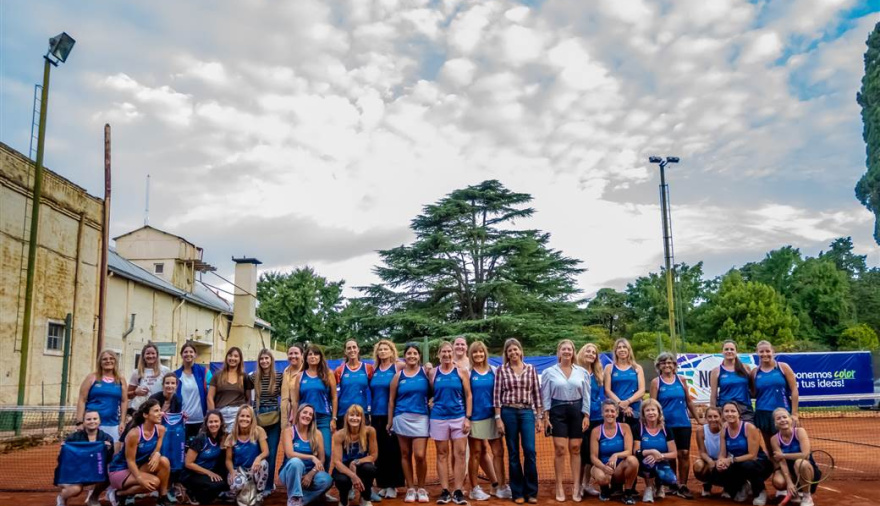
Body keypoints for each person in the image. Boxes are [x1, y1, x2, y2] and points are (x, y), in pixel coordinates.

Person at [493, 338, 543, 505]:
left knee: (530, 451)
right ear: (506, 354)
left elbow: (537, 394)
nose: (513, 353)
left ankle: (531, 491)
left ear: (521, 351)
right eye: (510, 351)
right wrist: (498, 418)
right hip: (508, 412)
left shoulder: (531, 369)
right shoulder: (501, 370)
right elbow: (497, 396)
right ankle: (517, 492)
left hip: (527, 412)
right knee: (513, 453)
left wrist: (539, 418)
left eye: (516, 350)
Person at [541, 339, 591, 502]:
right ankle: (559, 486)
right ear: (559, 352)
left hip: (577, 410)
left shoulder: (582, 372)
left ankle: (576, 486)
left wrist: (586, 415)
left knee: (575, 448)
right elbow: (546, 395)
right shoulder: (549, 372)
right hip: (557, 410)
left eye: (569, 349)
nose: (567, 352)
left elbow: (587, 394)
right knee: (560, 449)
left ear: (573, 352)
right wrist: (546, 416)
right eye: (564, 349)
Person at [428, 341, 473, 506]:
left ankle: (458, 490)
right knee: (442, 454)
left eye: (449, 352)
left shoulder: (461, 372)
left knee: (460, 454)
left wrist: (467, 417)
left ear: (453, 353)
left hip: (458, 417)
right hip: (438, 418)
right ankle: (445, 490)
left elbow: (468, 395)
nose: (447, 355)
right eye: (443, 352)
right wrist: (431, 401)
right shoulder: (432, 373)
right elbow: (429, 393)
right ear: (439, 354)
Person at [387, 343, 431, 503]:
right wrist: (390, 421)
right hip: (401, 417)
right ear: (404, 356)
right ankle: (411, 488)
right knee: (405, 454)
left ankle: (422, 487)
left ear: (419, 356)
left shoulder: (426, 373)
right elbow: (391, 400)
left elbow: (434, 391)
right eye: (409, 353)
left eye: (415, 353)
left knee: (420, 455)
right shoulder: (398, 376)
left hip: (421, 418)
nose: (412, 356)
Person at [649, 352, 697, 499]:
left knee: (683, 454)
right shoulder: (656, 382)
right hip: (665, 425)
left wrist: (698, 418)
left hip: (683, 423)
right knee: (670, 455)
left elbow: (689, 401)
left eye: (670, 362)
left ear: (675, 365)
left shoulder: (681, 380)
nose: (667, 365)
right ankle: (672, 483)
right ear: (659, 366)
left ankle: (683, 484)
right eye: (664, 363)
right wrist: (653, 424)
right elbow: (653, 405)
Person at [106, 399, 171, 506]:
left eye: (160, 410)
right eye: (156, 411)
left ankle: (162, 497)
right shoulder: (134, 434)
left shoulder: (161, 429)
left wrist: (157, 454)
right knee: (154, 483)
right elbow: (130, 461)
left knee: (164, 461)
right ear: (145, 415)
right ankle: (119, 493)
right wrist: (140, 479)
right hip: (120, 470)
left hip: (138, 466)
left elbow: (157, 449)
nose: (160, 413)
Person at [467, 341, 509, 501]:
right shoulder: (468, 373)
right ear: (471, 355)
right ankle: (474, 488)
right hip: (476, 418)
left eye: (481, 352)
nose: (478, 355)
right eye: (475, 352)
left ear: (485, 353)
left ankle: (500, 486)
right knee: (476, 453)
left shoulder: (494, 371)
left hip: (494, 417)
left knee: (498, 452)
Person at [714, 402, 773, 505]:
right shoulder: (724, 429)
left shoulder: (749, 427)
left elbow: (752, 455)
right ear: (722, 414)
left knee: (747, 465)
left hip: (759, 463)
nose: (730, 414)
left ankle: (760, 491)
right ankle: (743, 485)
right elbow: (722, 453)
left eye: (733, 411)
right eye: (726, 411)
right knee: (718, 469)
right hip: (738, 462)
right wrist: (720, 462)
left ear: (739, 414)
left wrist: (730, 460)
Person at [54, 409, 114, 506]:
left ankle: (93, 498)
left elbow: (108, 460)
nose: (92, 421)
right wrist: (63, 450)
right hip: (73, 472)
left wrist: (107, 450)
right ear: (83, 422)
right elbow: (62, 460)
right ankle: (61, 497)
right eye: (88, 419)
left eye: (95, 419)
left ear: (99, 421)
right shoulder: (73, 438)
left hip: (93, 472)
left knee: (110, 475)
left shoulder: (106, 438)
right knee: (75, 490)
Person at [292, 345, 338, 470]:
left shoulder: (328, 374)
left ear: (320, 357)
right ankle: (308, 479)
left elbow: (334, 397)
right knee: (308, 452)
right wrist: (295, 418)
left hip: (324, 418)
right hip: (306, 419)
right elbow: (296, 400)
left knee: (326, 453)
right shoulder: (300, 376)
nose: (313, 357)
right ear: (305, 358)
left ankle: (322, 479)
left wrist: (334, 418)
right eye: (310, 355)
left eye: (315, 354)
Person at [370, 339, 405, 499]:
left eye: (386, 349)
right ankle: (383, 484)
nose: (383, 352)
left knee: (393, 451)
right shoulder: (374, 370)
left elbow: (417, 368)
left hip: (392, 415)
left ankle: (393, 485)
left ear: (392, 351)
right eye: (380, 349)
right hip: (376, 415)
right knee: (379, 452)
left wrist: (429, 367)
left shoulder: (398, 366)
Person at [280, 403, 334, 506]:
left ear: (313, 418)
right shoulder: (289, 431)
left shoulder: (317, 434)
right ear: (299, 414)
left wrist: (310, 474)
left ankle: (297, 500)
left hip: (310, 472)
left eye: (310, 414)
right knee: (296, 462)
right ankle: (295, 496)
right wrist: (312, 457)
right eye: (305, 412)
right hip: (290, 472)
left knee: (327, 480)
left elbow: (322, 459)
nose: (307, 416)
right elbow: (290, 454)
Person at [750, 341, 799, 454]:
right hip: (763, 413)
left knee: (789, 443)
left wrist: (795, 414)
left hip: (783, 412)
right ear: (757, 353)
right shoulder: (754, 372)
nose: (765, 354)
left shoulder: (783, 367)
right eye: (761, 351)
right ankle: (777, 469)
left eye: (767, 351)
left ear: (773, 352)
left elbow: (794, 390)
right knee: (770, 447)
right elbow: (753, 393)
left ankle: (791, 468)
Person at [589, 400, 638, 505]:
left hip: (619, 469)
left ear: (617, 413)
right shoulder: (596, 431)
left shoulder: (625, 427)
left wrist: (616, 455)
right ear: (602, 413)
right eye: (606, 411)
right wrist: (603, 467)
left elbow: (629, 451)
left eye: (612, 411)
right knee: (603, 478)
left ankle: (628, 493)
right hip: (602, 467)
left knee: (633, 461)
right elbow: (593, 457)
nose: (609, 414)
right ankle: (605, 490)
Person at [77, 350, 129, 450]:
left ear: (115, 361)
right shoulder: (92, 377)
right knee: (91, 454)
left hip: (113, 424)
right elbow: (82, 399)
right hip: (92, 424)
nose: (108, 361)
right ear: (100, 362)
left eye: (111, 358)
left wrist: (122, 422)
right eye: (104, 359)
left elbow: (124, 401)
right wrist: (79, 422)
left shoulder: (121, 380)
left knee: (114, 455)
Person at [251, 348, 284, 497]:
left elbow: (284, 398)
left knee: (271, 452)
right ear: (259, 361)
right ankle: (256, 482)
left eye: (267, 359)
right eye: (261, 359)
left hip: (274, 419)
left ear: (271, 361)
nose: (264, 361)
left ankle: (268, 485)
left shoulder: (279, 376)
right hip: (258, 418)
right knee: (258, 452)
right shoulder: (253, 377)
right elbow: (248, 397)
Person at [769, 408, 819, 506]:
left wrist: (783, 455)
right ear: (775, 423)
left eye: (785, 417)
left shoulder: (800, 431)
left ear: (790, 419)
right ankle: (794, 493)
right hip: (790, 472)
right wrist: (789, 483)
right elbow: (781, 461)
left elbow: (805, 455)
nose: (782, 420)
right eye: (778, 418)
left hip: (807, 469)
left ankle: (806, 496)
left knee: (800, 462)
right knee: (778, 481)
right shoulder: (774, 439)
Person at [333, 405, 379, 506]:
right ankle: (343, 500)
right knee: (342, 480)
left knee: (370, 468)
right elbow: (337, 462)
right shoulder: (339, 435)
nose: (354, 418)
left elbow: (373, 455)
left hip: (360, 464)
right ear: (346, 417)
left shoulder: (370, 431)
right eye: (351, 415)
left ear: (362, 418)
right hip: (343, 467)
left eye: (358, 415)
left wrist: (356, 462)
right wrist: (353, 476)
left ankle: (365, 498)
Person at [633, 399, 678, 504]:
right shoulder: (638, 428)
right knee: (649, 461)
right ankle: (649, 488)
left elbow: (674, 453)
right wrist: (651, 452)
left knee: (671, 480)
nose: (651, 413)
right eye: (647, 410)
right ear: (643, 413)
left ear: (658, 412)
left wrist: (660, 456)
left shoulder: (666, 429)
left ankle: (659, 485)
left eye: (653, 410)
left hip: (661, 461)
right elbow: (636, 451)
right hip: (643, 463)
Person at [180, 410, 230, 505]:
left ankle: (203, 496)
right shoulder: (201, 438)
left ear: (221, 423)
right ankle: (190, 492)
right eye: (210, 422)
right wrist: (209, 473)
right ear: (206, 424)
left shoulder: (221, 437)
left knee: (226, 483)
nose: (213, 424)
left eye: (216, 421)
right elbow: (188, 463)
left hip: (208, 471)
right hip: (192, 473)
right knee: (217, 486)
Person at [577, 343, 605, 498]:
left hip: (597, 418)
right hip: (580, 418)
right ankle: (578, 485)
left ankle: (586, 484)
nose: (591, 354)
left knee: (592, 453)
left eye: (594, 353)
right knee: (582, 453)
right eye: (588, 351)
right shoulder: (575, 371)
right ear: (582, 353)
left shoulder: (598, 373)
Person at [225, 405, 270, 502]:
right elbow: (228, 459)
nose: (244, 419)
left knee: (264, 464)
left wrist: (258, 458)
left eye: (247, 416)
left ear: (252, 419)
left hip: (254, 469)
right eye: (242, 416)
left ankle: (259, 492)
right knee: (237, 485)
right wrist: (232, 472)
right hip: (239, 470)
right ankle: (237, 493)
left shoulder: (258, 431)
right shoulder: (231, 436)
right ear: (238, 417)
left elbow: (266, 452)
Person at [208, 347, 255, 432]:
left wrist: (245, 415)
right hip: (220, 413)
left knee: (233, 442)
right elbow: (210, 397)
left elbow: (248, 400)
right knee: (221, 442)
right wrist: (213, 415)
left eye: (236, 356)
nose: (232, 358)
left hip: (237, 414)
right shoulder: (217, 375)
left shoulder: (245, 377)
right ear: (226, 358)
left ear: (240, 359)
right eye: (230, 355)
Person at [604, 339, 645, 435]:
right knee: (618, 437)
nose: (622, 350)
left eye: (624, 347)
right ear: (615, 351)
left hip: (634, 409)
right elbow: (607, 390)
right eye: (619, 347)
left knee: (635, 438)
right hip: (615, 410)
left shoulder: (637, 368)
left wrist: (627, 402)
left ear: (629, 350)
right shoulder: (609, 368)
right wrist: (620, 404)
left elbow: (642, 390)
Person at [709, 341, 753, 422]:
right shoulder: (716, 371)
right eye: (726, 349)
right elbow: (713, 395)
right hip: (725, 409)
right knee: (727, 434)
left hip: (745, 409)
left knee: (748, 433)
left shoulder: (746, 368)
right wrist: (713, 412)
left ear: (736, 352)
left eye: (732, 349)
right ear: (722, 352)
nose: (729, 351)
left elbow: (752, 389)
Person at [335, 339, 373, 429]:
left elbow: (374, 389)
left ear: (358, 349)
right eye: (349, 348)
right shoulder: (339, 370)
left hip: (362, 412)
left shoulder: (368, 368)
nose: (352, 350)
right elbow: (333, 393)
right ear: (345, 351)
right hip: (343, 412)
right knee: (344, 442)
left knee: (363, 442)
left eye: (354, 347)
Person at [174, 341, 208, 441]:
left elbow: (210, 394)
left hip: (201, 420)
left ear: (195, 354)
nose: (188, 354)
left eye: (191, 351)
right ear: (181, 355)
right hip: (182, 421)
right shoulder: (175, 375)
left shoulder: (204, 372)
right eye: (185, 352)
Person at [128, 343, 171, 412]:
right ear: (143, 356)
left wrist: (166, 406)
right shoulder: (137, 373)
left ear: (157, 355)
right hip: (141, 411)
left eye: (153, 353)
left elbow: (172, 391)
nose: (150, 356)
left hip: (160, 410)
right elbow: (127, 395)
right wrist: (135, 392)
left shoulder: (165, 370)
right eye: (148, 353)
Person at [693, 406, 723, 497]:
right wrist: (710, 461)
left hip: (723, 458)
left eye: (715, 416)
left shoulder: (725, 430)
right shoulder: (700, 430)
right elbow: (702, 452)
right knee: (698, 466)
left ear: (720, 417)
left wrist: (720, 461)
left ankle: (728, 487)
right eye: (709, 417)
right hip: (708, 459)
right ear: (705, 418)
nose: (713, 419)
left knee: (724, 467)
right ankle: (707, 485)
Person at [281, 343, 305, 430]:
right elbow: (285, 398)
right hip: (286, 417)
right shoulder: (286, 371)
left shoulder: (306, 371)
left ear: (302, 355)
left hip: (303, 416)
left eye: (296, 353)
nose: (293, 356)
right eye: (290, 353)